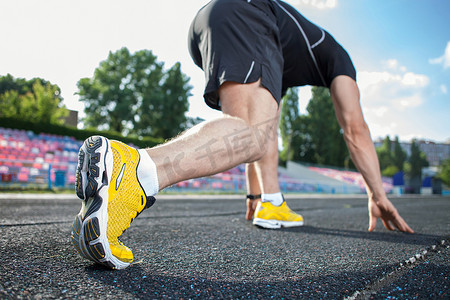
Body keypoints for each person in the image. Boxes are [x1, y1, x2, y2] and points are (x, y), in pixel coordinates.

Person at [71, 0, 414, 270]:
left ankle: (272, 203)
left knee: (261, 128)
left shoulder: (283, 58)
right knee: (254, 132)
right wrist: (377, 193)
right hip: (248, 13)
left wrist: (256, 197)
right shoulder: (338, 57)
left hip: (212, 20)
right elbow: (355, 128)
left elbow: (269, 126)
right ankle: (137, 168)